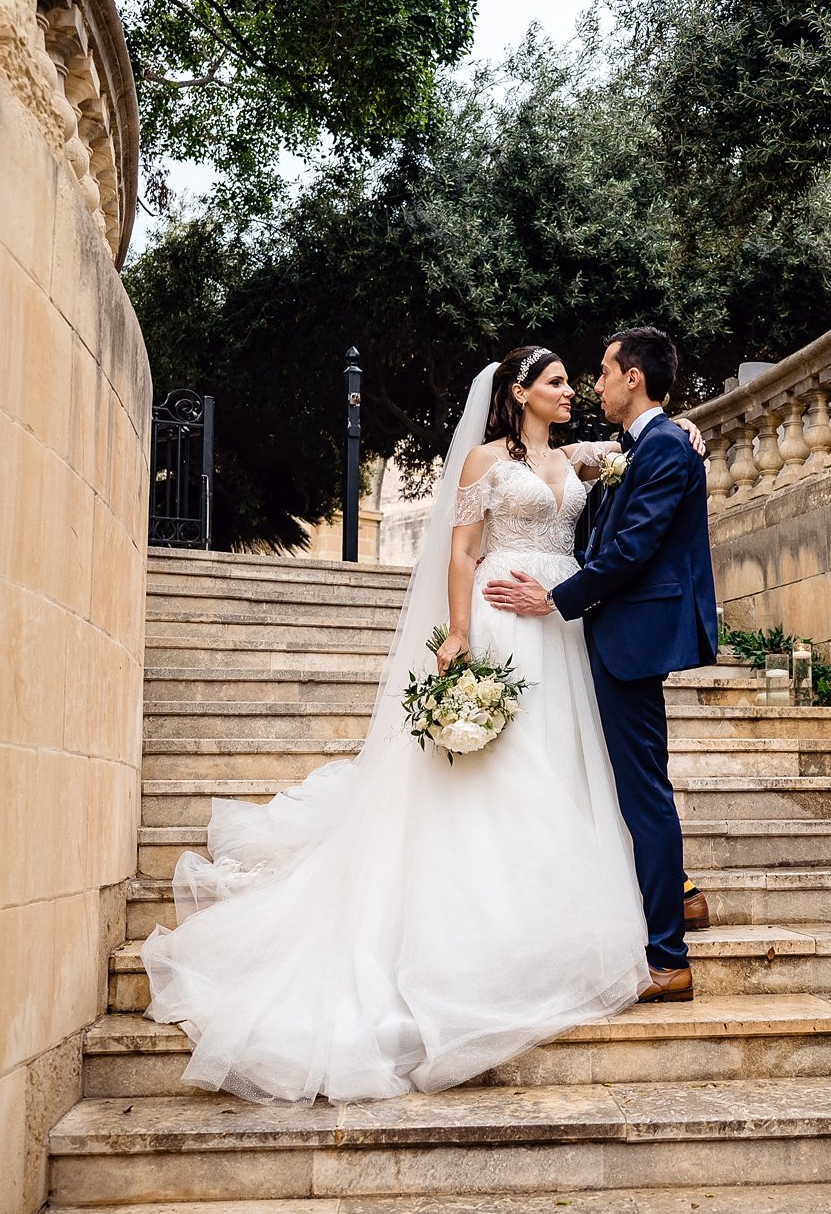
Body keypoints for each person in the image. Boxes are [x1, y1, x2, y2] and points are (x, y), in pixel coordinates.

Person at [141, 345, 707, 1103]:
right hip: (512, 620)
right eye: (558, 381)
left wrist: (689, 427)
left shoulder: (581, 460)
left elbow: (636, 451)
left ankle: (639, 895)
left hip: (569, 630)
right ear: (519, 391)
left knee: (582, 769)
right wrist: (459, 631)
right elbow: (463, 550)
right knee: (508, 776)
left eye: (581, 378)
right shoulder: (481, 461)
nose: (574, 389)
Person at [483, 327, 719, 1002]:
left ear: (633, 378)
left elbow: (632, 550)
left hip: (631, 637)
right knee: (627, 782)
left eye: (605, 370)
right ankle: (678, 900)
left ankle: (668, 956)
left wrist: (554, 597)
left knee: (643, 790)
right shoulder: (642, 446)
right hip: (609, 634)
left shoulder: (666, 446)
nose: (595, 384)